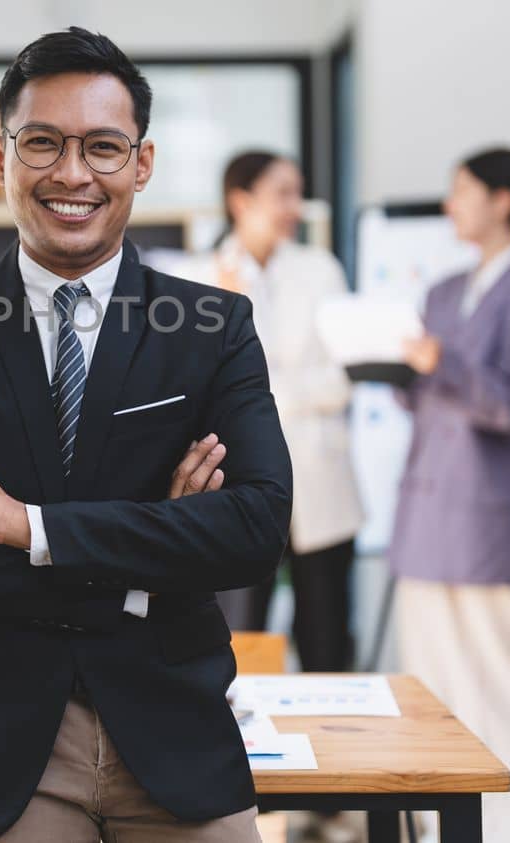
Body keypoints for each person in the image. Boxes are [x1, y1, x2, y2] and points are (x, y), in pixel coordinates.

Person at [0, 27, 292, 842]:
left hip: (174, 733)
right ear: (0, 157)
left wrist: (24, 525)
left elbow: (254, 530)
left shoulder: (213, 326)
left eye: (103, 147)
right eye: (43, 143)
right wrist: (154, 553)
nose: (72, 173)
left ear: (141, 163)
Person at [390, 147, 510, 843]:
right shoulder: (441, 290)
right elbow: (427, 400)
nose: (450, 205)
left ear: (502, 200)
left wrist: (444, 365)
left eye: (461, 192)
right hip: (426, 513)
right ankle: (447, 825)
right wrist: (399, 369)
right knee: (434, 687)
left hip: (485, 522)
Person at [210, 151, 362, 675]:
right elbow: (204, 388)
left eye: (297, 193)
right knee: (237, 630)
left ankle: (331, 747)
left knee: (324, 630)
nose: (294, 207)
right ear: (241, 200)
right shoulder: (204, 277)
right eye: (282, 194)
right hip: (241, 479)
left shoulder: (320, 270)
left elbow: (342, 379)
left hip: (318, 476)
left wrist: (265, 393)